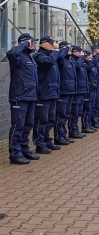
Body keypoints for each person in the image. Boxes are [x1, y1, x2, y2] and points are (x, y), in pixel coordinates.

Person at [7, 33, 40, 164]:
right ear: (25, 43)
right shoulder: (18, 56)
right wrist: (25, 44)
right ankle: (15, 153)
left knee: (28, 125)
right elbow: (11, 53)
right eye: (32, 42)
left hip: (31, 96)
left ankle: (24, 149)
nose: (33, 44)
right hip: (19, 97)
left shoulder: (29, 57)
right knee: (18, 126)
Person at [33, 36, 68, 154]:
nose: (54, 44)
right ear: (43, 44)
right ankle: (40, 143)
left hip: (53, 92)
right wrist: (57, 50)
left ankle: (47, 140)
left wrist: (62, 50)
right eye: (51, 42)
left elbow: (60, 58)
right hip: (43, 93)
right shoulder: (39, 56)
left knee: (50, 119)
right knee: (41, 120)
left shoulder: (52, 56)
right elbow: (49, 62)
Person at [55, 41, 76, 145]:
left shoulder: (69, 61)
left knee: (66, 115)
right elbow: (59, 58)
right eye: (69, 49)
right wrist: (63, 50)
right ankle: (59, 136)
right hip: (63, 92)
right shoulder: (61, 60)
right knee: (61, 115)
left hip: (69, 92)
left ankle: (63, 135)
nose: (71, 50)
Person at [68, 46, 87, 139]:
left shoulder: (80, 61)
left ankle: (75, 129)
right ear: (75, 52)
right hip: (76, 90)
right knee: (74, 112)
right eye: (80, 52)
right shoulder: (73, 61)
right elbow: (77, 66)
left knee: (78, 111)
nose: (82, 54)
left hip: (81, 90)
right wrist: (82, 58)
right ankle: (73, 130)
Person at [82, 50, 97, 133]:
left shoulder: (90, 64)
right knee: (87, 108)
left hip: (93, 87)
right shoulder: (85, 64)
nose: (90, 57)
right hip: (89, 88)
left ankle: (89, 124)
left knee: (92, 107)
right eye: (89, 55)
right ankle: (85, 126)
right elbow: (89, 67)